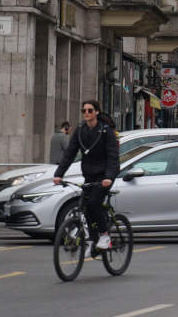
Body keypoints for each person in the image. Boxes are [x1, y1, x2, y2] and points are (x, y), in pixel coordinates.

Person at [53, 100, 119, 251]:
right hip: (89, 175)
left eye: (90, 110)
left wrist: (109, 176)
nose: (86, 113)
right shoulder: (80, 130)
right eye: (84, 111)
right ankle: (91, 240)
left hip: (105, 175)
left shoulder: (105, 131)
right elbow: (69, 153)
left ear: (96, 112)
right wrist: (59, 174)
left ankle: (104, 235)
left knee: (94, 203)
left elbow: (113, 156)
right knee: (85, 206)